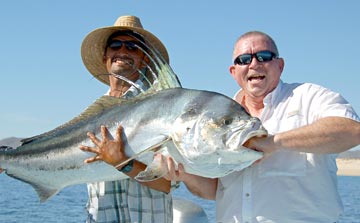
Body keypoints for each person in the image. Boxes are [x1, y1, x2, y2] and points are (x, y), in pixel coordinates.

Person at [165, 31, 360, 223]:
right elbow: (215, 190)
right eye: (244, 59)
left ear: (280, 65)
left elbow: (352, 131)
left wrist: (274, 142)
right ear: (233, 71)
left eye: (264, 56)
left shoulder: (308, 97)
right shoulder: (217, 120)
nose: (254, 64)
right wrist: (185, 174)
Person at [78, 15, 173, 223]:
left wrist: (123, 163)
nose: (122, 51)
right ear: (105, 56)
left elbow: (168, 183)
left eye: (132, 47)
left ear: (145, 58)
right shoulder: (91, 114)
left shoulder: (160, 108)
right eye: (115, 45)